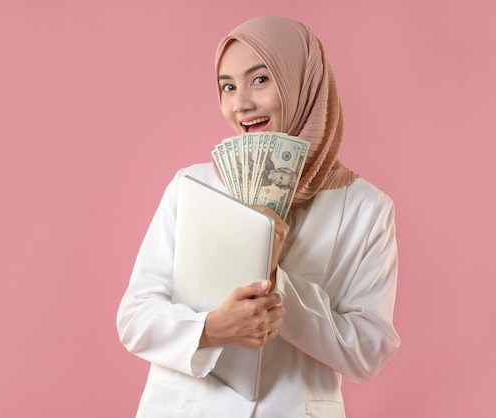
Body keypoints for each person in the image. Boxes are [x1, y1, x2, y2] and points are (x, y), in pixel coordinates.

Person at [116, 16, 400, 418]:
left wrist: (276, 283)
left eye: (261, 80)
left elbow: (367, 351)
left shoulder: (365, 208)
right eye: (227, 86)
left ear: (303, 83)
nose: (241, 104)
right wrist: (211, 329)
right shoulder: (192, 187)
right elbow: (135, 317)